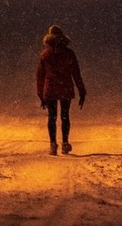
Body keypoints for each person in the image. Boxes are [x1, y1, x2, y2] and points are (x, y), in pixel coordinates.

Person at [35, 25, 86, 154]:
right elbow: (76, 73)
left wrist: (40, 94)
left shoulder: (45, 55)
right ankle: (65, 143)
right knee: (65, 116)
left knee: (51, 117)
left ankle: (52, 145)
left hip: (50, 89)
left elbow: (40, 76)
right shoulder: (69, 54)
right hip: (65, 87)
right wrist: (82, 91)